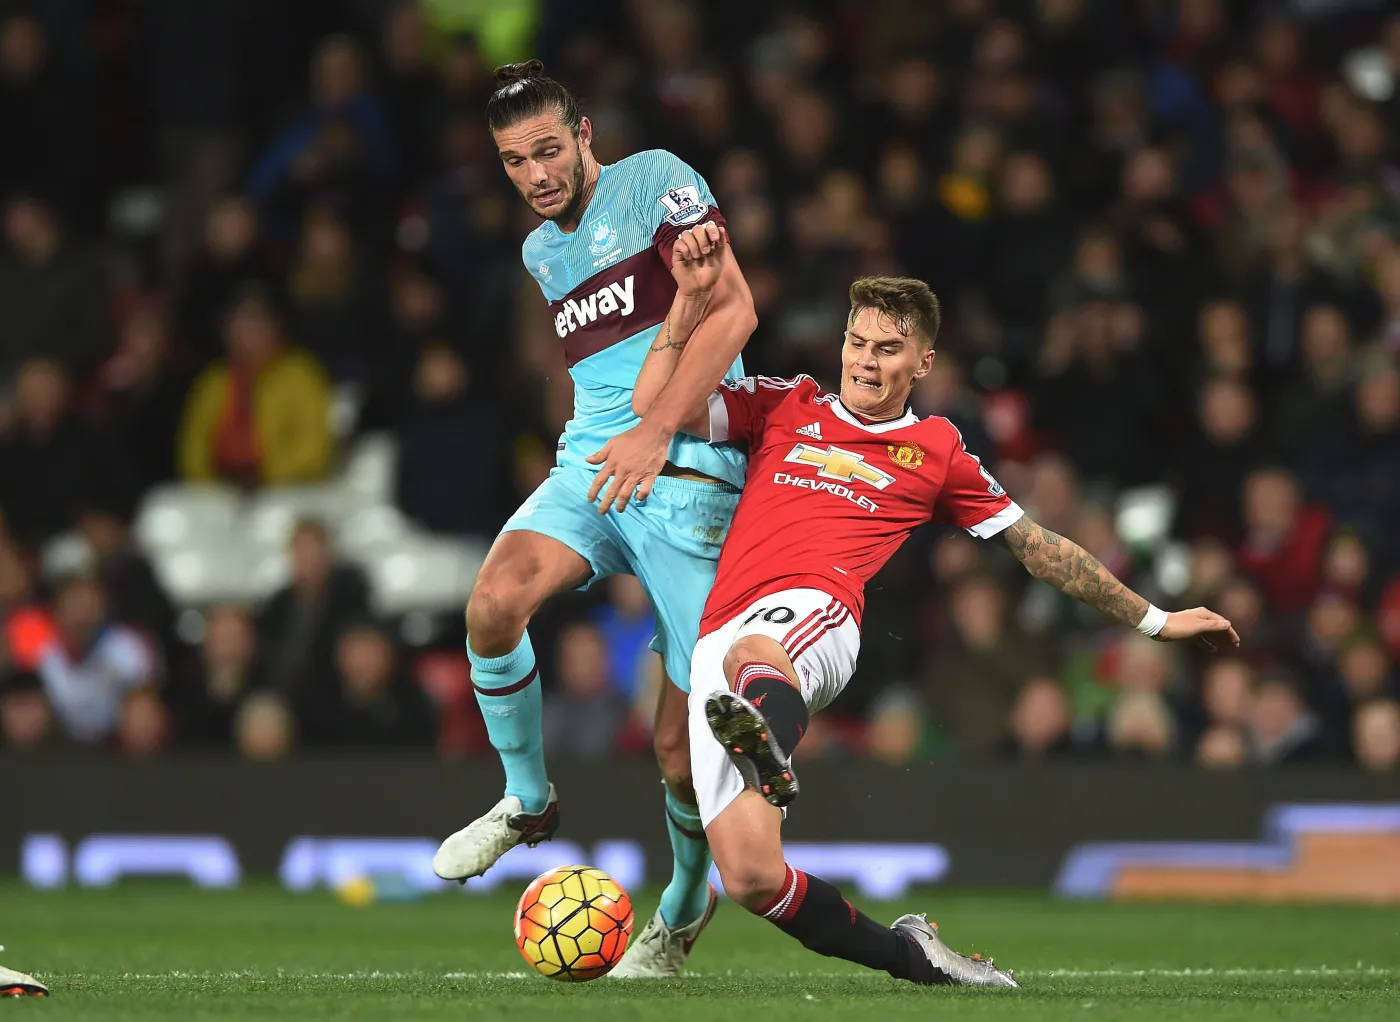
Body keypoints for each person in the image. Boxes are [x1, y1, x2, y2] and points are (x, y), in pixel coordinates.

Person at [634, 223, 1239, 987]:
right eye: (857, 342)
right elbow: (655, 405)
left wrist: (1156, 618)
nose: (865, 361)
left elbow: (1039, 547)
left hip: (813, 616)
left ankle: (773, 745)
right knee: (753, 879)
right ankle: (913, 958)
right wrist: (687, 306)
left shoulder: (938, 449)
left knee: (754, 655)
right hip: (722, 639)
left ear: (923, 363)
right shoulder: (784, 405)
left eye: (888, 350)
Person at [430, 61, 758, 980]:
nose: (535, 175)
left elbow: (733, 310)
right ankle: (527, 802)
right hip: (593, 464)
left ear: (584, 135)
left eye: (546, 150)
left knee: (680, 748)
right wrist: (617, 435)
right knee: (493, 605)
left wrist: (655, 431)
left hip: (688, 465)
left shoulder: (658, 180)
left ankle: (684, 910)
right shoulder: (541, 254)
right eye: (512, 161)